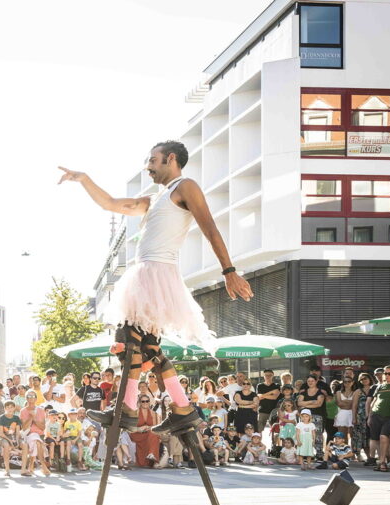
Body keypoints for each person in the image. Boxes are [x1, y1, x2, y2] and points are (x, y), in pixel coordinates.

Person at [60, 142, 252, 437]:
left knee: (126, 342)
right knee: (149, 349)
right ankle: (183, 408)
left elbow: (210, 228)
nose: (148, 166)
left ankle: (127, 410)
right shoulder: (154, 198)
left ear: (170, 159)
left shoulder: (185, 187)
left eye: (153, 160)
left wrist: (229, 271)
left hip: (156, 273)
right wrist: (84, 179)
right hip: (149, 274)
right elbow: (110, 203)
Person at [366, 366, 390, 472]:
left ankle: (384, 462)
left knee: (384, 437)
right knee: (376, 439)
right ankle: (381, 461)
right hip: (375, 415)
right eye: (385, 373)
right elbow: (374, 401)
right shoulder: (380, 386)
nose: (387, 375)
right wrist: (369, 416)